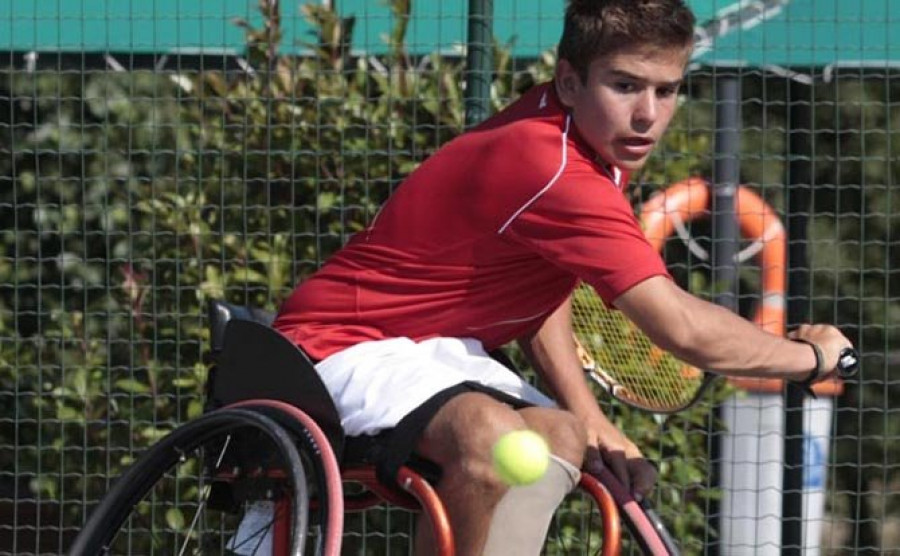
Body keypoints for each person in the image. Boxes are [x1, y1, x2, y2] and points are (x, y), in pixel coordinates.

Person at [272, 0, 855, 554]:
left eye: (666, 90)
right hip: (338, 344)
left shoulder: (590, 142)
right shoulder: (552, 167)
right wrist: (810, 358)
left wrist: (591, 417)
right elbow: (683, 329)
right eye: (625, 85)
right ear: (570, 80)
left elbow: (539, 287)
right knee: (490, 436)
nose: (648, 114)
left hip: (430, 349)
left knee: (562, 438)